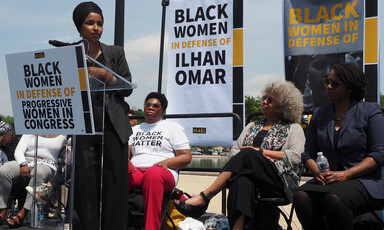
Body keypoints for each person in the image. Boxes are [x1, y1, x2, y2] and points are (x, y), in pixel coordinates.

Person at [174, 80, 305, 230]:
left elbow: (296, 156)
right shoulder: (251, 126)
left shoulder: (294, 129)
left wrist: (261, 153)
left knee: (249, 153)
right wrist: (255, 158)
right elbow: (234, 152)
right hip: (251, 179)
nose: (264, 101)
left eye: (270, 100)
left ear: (282, 107)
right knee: (242, 180)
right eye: (264, 98)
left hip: (278, 181)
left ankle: (205, 197)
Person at [293, 63, 384, 230]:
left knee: (333, 199)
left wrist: (345, 174)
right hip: (329, 179)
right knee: (301, 196)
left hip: (365, 180)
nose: (328, 86)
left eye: (334, 83)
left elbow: (378, 154)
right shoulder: (320, 114)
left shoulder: (370, 111)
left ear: (349, 86)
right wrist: (317, 173)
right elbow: (308, 154)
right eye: (327, 81)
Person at [70, 2, 133, 230]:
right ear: (80, 26)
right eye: (90, 23)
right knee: (85, 183)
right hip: (84, 126)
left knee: (115, 183)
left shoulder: (115, 53)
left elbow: (126, 87)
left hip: (113, 126)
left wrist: (106, 75)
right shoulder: (71, 53)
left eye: (100, 23)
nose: (96, 27)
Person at [128, 92, 192, 229]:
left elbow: (186, 156)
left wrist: (167, 162)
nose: (150, 107)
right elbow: (125, 156)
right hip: (137, 171)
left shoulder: (172, 128)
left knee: (153, 175)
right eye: (148, 104)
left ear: (162, 111)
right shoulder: (134, 130)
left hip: (163, 172)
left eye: (156, 106)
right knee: (118, 176)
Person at [0, 134, 67, 228]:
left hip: (48, 164)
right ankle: (2, 208)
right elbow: (19, 150)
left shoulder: (63, 133)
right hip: (27, 160)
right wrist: (23, 164)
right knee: (3, 171)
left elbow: (77, 142)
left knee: (38, 172)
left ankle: (24, 211)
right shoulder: (30, 130)